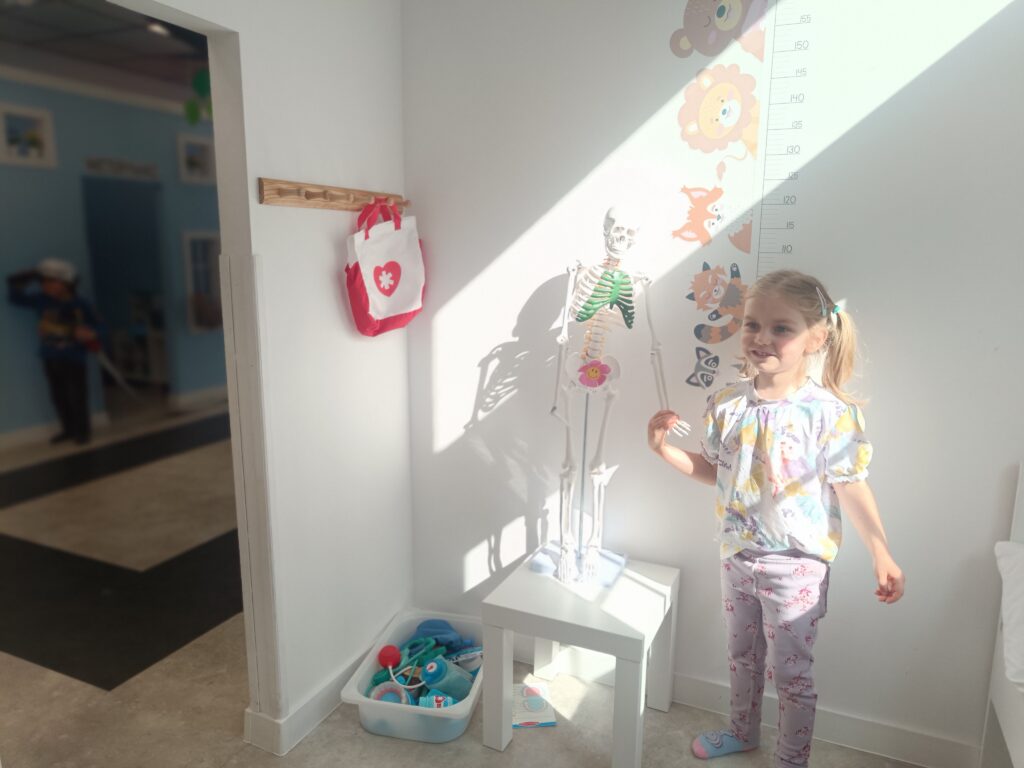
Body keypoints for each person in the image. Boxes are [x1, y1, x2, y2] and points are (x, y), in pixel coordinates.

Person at [647, 269, 904, 767]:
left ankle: (791, 759)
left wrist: (881, 550)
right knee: (742, 658)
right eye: (752, 324)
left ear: (816, 338)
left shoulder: (829, 413)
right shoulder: (727, 404)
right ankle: (742, 732)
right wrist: (662, 450)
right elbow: (716, 471)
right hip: (737, 555)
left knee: (791, 675)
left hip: (797, 567)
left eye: (780, 328)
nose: (762, 338)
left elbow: (851, 484)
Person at [7, 258, 102, 445]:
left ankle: (82, 431)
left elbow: (99, 326)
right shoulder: (40, 300)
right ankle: (68, 429)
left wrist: (91, 333)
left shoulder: (80, 303)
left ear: (66, 283)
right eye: (43, 282)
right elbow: (15, 297)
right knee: (58, 396)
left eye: (52, 282)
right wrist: (27, 277)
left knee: (77, 395)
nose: (46, 286)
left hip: (74, 356)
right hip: (50, 356)